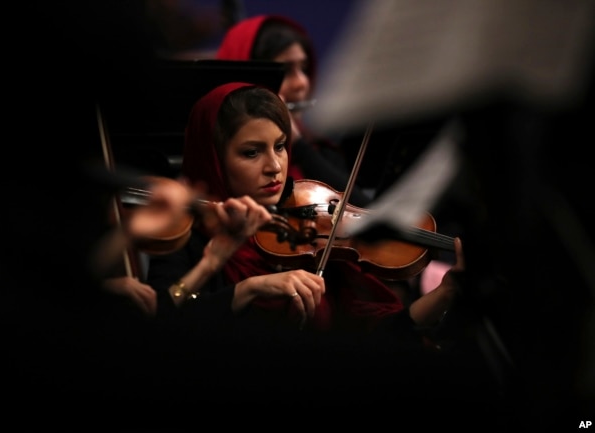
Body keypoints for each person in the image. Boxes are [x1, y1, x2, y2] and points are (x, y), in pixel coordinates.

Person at [145, 82, 464, 345]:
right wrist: (248, 289)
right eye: (252, 152)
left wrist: (446, 292)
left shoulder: (308, 235)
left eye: (280, 146)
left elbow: (376, 342)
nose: (274, 167)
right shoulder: (184, 234)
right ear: (213, 158)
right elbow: (162, 327)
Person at [215, 14, 375, 207]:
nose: (302, 83)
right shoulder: (212, 160)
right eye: (286, 71)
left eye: (304, 69)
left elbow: (362, 213)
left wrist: (299, 145)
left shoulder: (320, 152)